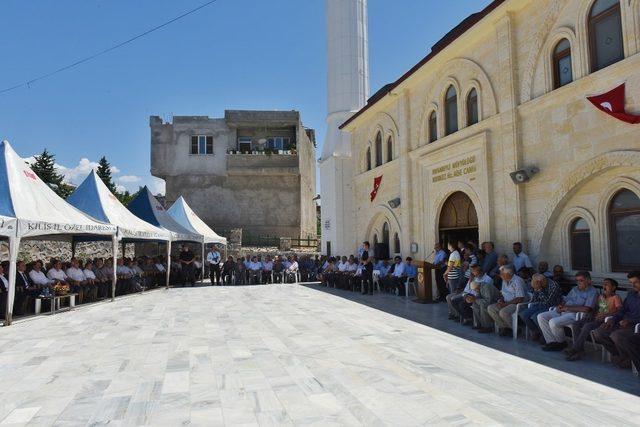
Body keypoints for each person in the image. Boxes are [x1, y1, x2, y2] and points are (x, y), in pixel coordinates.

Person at [537, 271, 597, 351]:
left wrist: (568, 308)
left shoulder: (592, 292)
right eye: (577, 281)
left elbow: (587, 309)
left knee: (553, 322)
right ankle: (551, 342)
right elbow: (565, 300)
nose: (578, 283)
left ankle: (561, 343)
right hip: (563, 311)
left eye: (581, 280)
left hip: (574, 315)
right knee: (541, 316)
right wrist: (560, 306)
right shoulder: (575, 289)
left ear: (588, 281)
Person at [565, 278, 623, 361]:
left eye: (607, 284)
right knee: (576, 324)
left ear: (613, 288)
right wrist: (590, 313)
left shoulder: (615, 297)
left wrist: (606, 315)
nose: (604, 286)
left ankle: (575, 349)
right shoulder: (602, 297)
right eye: (603, 284)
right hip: (595, 318)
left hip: (604, 321)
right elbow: (596, 308)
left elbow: (620, 311)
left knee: (587, 326)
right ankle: (579, 350)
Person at [593, 271, 640, 368]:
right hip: (622, 323)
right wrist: (612, 320)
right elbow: (622, 310)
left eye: (635, 282)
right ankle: (622, 356)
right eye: (631, 283)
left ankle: (625, 359)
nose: (633, 285)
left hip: (635, 325)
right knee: (599, 332)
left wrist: (630, 321)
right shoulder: (631, 295)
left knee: (616, 335)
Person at [518, 274, 562, 342]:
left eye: (536, 283)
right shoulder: (538, 284)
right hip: (540, 305)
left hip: (552, 307)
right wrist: (536, 290)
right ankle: (537, 331)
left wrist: (539, 289)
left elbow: (548, 302)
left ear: (540, 282)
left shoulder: (554, 286)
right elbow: (534, 300)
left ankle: (545, 335)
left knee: (535, 316)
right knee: (524, 314)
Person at [487, 265, 527, 336]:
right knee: (491, 308)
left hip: (517, 304)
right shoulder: (504, 280)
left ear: (508, 274)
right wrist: (501, 300)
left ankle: (515, 329)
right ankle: (505, 327)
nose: (500, 275)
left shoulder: (517, 281)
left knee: (503, 312)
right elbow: (503, 294)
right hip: (506, 303)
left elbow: (520, 298)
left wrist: (506, 304)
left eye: (502, 273)